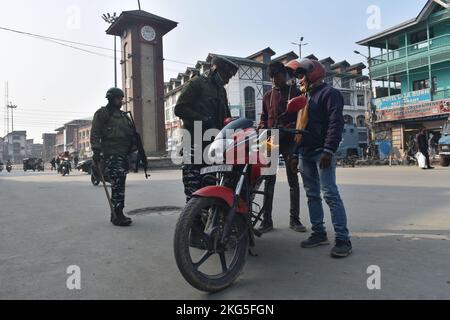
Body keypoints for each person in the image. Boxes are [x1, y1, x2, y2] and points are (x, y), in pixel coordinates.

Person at [174, 56, 238, 248]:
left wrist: (232, 126)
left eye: (230, 77)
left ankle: (207, 230)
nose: (227, 80)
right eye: (226, 75)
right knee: (193, 189)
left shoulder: (221, 91)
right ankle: (193, 233)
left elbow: (225, 116)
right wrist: (204, 119)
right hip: (193, 142)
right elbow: (180, 108)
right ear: (216, 69)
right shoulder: (196, 84)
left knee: (209, 187)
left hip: (212, 145)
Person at [291, 58, 352, 258]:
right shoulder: (304, 97)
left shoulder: (330, 94)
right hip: (305, 152)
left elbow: (336, 123)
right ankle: (319, 233)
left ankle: (343, 239)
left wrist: (328, 150)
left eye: (302, 76)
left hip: (321, 152)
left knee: (330, 193)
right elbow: (298, 126)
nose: (299, 80)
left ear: (313, 74)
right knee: (312, 195)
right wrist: (294, 153)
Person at [257, 61, 307, 234]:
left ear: (284, 75)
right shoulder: (267, 96)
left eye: (276, 76)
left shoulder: (295, 93)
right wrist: (263, 129)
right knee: (268, 181)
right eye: (271, 77)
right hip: (271, 140)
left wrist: (290, 128)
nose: (273, 80)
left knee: (293, 181)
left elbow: (300, 117)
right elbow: (263, 118)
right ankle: (266, 221)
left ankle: (295, 220)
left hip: (290, 140)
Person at [91, 88, 137, 227]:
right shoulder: (103, 114)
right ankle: (117, 214)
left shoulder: (124, 116)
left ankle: (117, 213)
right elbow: (95, 134)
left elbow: (131, 134)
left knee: (120, 184)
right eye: (118, 98)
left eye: (122, 98)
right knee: (117, 184)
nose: (121, 101)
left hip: (124, 155)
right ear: (111, 99)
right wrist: (96, 151)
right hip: (111, 154)